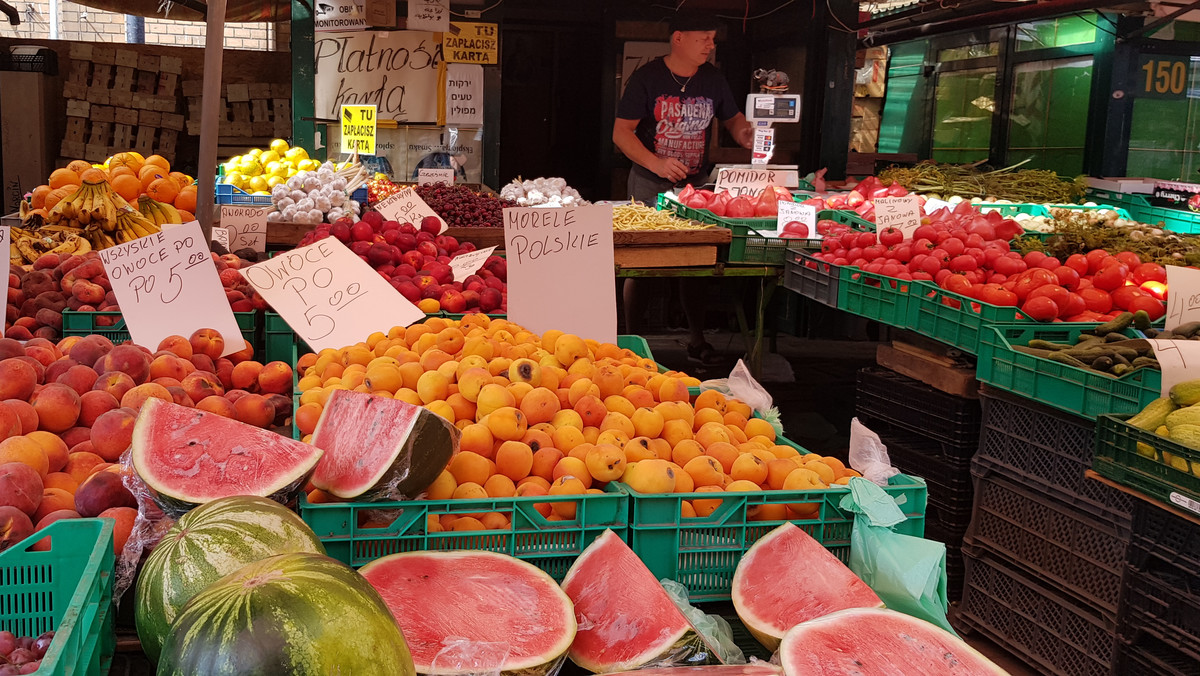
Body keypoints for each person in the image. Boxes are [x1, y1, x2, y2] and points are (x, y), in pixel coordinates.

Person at [613, 9, 754, 364]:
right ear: (679, 38)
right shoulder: (647, 78)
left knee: (696, 264)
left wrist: (746, 134)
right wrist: (655, 162)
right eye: (703, 36)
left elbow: (733, 117)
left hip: (696, 187)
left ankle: (696, 339)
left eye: (712, 37)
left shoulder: (713, 79)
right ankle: (633, 342)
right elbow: (621, 133)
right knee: (640, 266)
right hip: (648, 184)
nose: (711, 43)